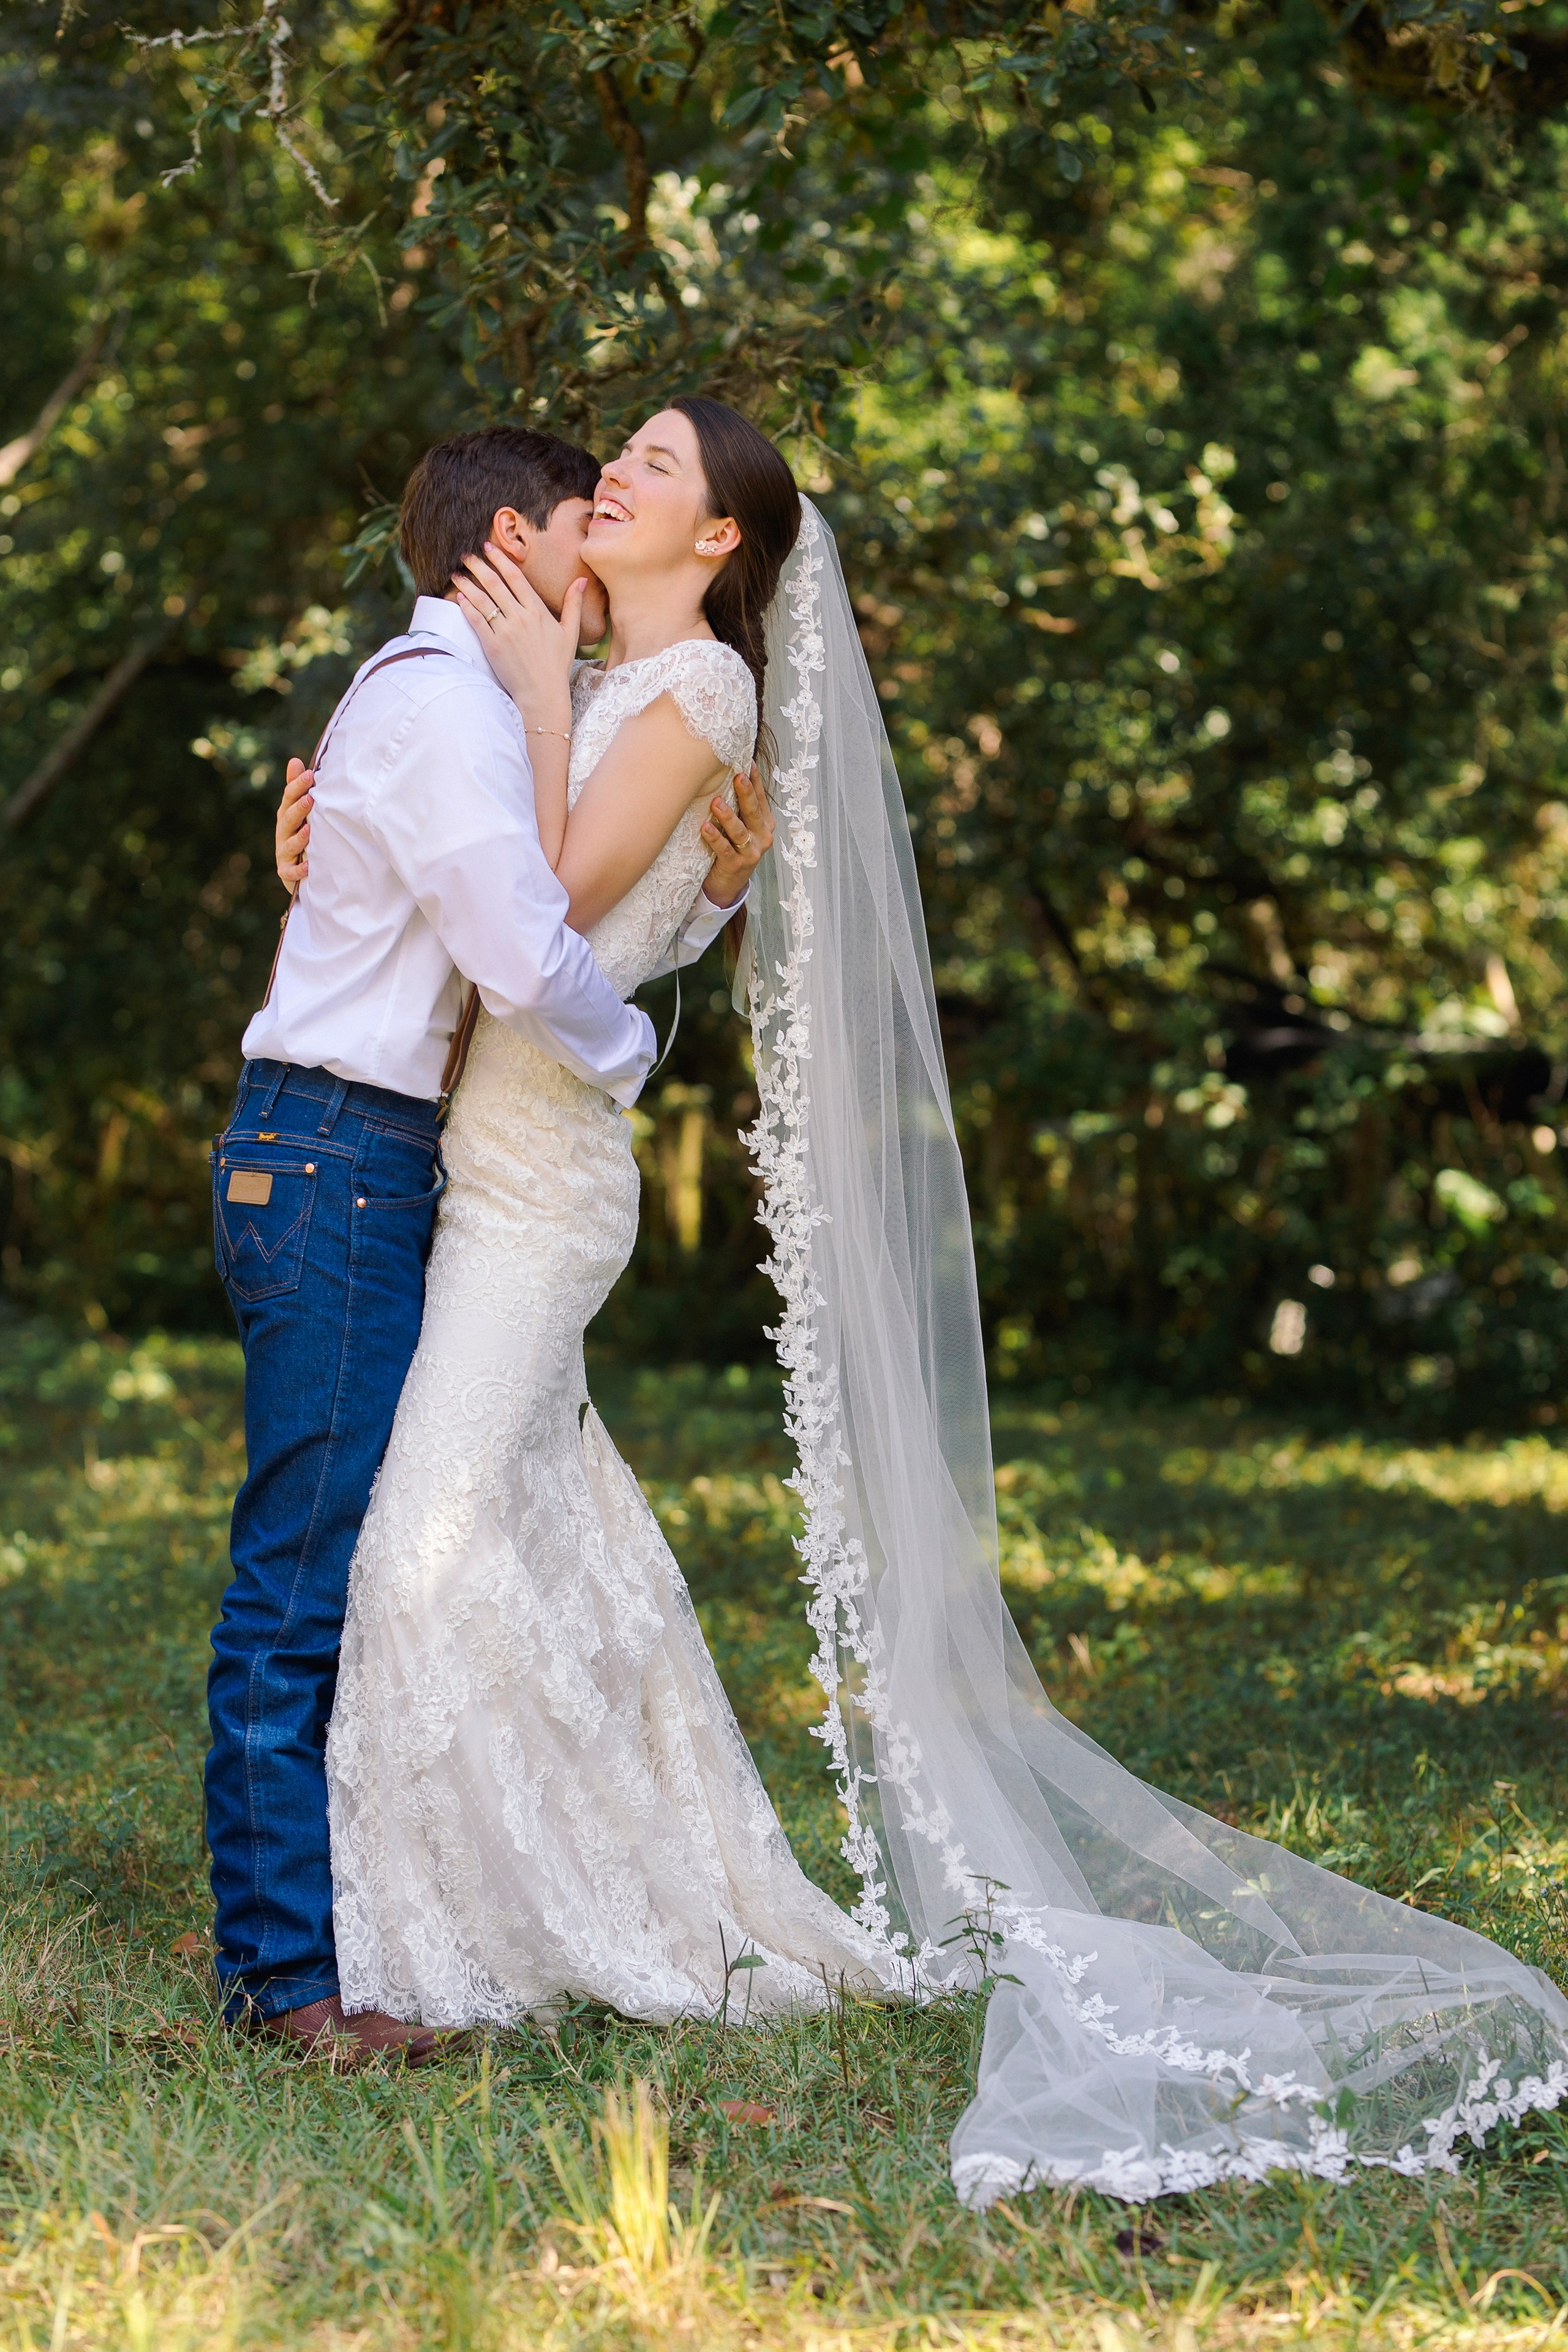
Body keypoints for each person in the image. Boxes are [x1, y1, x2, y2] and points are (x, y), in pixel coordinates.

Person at [274, 402, 1568, 2201]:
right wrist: (339, 836)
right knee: (541, 1531)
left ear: (718, 544)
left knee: (423, 1535)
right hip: (474, 1159)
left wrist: (540, 718)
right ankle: (608, 1874)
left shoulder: (694, 700)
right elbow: (508, 890)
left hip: (535, 1187)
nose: (617, 484)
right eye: (615, 466)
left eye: (653, 468)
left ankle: (462, 1934)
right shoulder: (582, 694)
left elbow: (549, 903)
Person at [209, 423, 771, 2062]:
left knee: (399, 1542)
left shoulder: (464, 697)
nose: (597, 555)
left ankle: (391, 1927)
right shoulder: (454, 701)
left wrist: (705, 908)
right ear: (516, 547)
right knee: (323, 1569)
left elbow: (582, 886)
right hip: (348, 1157)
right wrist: (637, 1058)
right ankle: (291, 1980)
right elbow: (530, 947)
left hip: (395, 1160)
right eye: (579, 533)